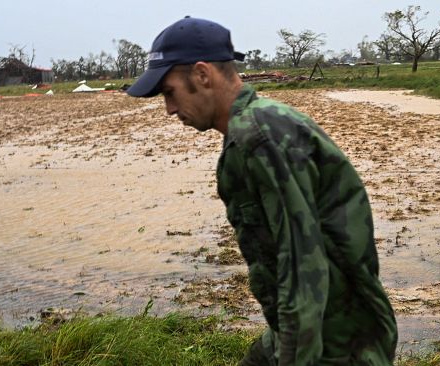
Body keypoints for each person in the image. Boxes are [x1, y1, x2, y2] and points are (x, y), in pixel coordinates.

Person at [127, 16, 397, 365]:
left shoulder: (262, 138)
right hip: (304, 328)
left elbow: (303, 263)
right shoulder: (251, 129)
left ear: (202, 75)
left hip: (337, 342)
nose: (170, 109)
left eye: (169, 92)